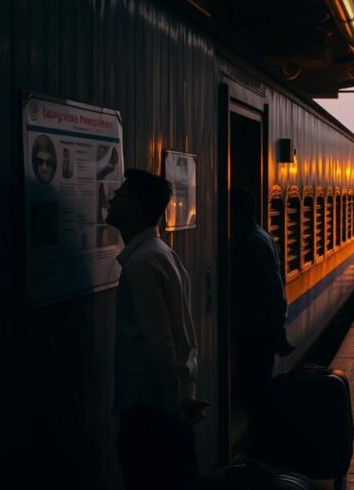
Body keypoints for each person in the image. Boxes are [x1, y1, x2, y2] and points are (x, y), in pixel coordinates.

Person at [107, 168, 204, 490]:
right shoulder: (163, 254)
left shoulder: (141, 264)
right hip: (164, 408)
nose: (111, 199)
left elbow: (159, 343)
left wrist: (172, 405)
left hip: (151, 411)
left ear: (136, 206)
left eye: (119, 195)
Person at [229, 187, 293, 457]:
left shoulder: (253, 242)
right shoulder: (261, 236)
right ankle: (262, 450)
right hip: (260, 332)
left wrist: (277, 332)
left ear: (239, 211)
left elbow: (271, 290)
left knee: (255, 395)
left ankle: (261, 454)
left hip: (256, 334)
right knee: (256, 394)